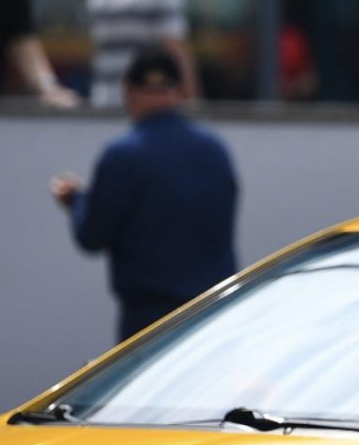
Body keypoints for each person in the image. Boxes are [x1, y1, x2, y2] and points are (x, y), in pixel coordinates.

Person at [52, 48, 239, 342]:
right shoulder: (214, 151)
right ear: (180, 91)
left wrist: (76, 201)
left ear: (128, 91)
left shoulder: (122, 156)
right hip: (211, 314)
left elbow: (91, 236)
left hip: (148, 322)